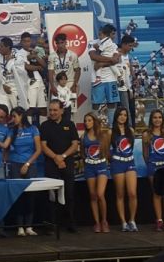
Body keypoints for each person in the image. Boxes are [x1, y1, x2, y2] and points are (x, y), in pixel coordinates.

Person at [40, 99, 79, 232]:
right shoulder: (44, 126)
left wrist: (62, 157)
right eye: (50, 110)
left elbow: (75, 145)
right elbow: (43, 146)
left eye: (55, 110)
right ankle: (51, 224)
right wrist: (56, 158)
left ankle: (70, 223)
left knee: (69, 194)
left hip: (67, 163)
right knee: (51, 195)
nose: (52, 112)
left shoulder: (70, 124)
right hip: (51, 164)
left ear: (62, 110)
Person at [7, 107, 41, 236]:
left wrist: (27, 163)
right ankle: (20, 227)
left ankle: (29, 226)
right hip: (15, 164)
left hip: (30, 164)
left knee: (30, 196)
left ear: (21, 116)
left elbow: (38, 150)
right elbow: (6, 146)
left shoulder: (33, 129)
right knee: (19, 195)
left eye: (14, 116)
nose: (13, 119)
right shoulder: (12, 130)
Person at [142, 109, 164, 231]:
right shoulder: (146, 135)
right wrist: (151, 164)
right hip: (153, 167)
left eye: (159, 117)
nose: (157, 120)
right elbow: (145, 154)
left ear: (163, 119)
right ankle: (159, 220)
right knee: (157, 193)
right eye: (155, 117)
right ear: (151, 119)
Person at [109, 106, 138, 232]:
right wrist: (114, 160)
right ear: (116, 116)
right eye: (120, 114)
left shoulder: (130, 130)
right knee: (120, 194)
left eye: (125, 115)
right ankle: (123, 222)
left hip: (130, 163)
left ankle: (132, 220)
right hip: (117, 164)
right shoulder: (111, 132)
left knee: (132, 193)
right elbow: (106, 151)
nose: (123, 117)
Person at [80, 113, 110, 233]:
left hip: (101, 166)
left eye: (89, 120)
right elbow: (82, 152)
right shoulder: (83, 137)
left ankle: (104, 221)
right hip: (89, 167)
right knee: (92, 195)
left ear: (94, 121)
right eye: (85, 120)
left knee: (100, 194)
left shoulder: (103, 135)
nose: (87, 122)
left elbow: (107, 150)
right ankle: (97, 222)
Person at [89, 25, 121, 127]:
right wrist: (110, 59)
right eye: (111, 34)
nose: (113, 36)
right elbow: (93, 56)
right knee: (96, 103)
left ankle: (111, 126)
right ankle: (94, 126)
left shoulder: (114, 46)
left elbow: (116, 60)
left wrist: (101, 63)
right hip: (97, 78)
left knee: (112, 103)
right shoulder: (92, 43)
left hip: (111, 78)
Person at [17, 32, 48, 124]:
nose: (27, 43)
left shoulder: (35, 50)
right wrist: (37, 67)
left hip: (40, 81)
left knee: (43, 108)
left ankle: (43, 130)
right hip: (29, 82)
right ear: (21, 42)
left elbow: (44, 65)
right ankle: (28, 129)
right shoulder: (19, 54)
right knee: (30, 108)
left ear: (31, 41)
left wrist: (35, 56)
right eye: (25, 41)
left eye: (29, 41)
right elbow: (25, 66)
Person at [0, 37, 28, 111]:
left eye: (1, 46)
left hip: (16, 88)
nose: (0, 48)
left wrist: (9, 62)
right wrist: (4, 84)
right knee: (2, 110)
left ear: (8, 47)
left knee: (18, 112)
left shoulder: (18, 56)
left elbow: (20, 71)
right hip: (2, 88)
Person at [48, 33, 80, 98]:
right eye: (58, 43)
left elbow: (78, 70)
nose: (60, 45)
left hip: (70, 83)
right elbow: (50, 72)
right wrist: (52, 86)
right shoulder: (52, 56)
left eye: (62, 43)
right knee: (57, 106)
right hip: (57, 84)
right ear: (56, 44)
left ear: (66, 42)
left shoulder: (73, 55)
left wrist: (74, 85)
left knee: (71, 107)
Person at [116, 35, 136, 125]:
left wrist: (134, 79)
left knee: (130, 110)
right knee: (124, 111)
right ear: (123, 44)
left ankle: (131, 128)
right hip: (120, 87)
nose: (131, 48)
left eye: (132, 46)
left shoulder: (128, 56)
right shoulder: (117, 54)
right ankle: (129, 128)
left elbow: (130, 70)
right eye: (130, 46)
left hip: (128, 86)